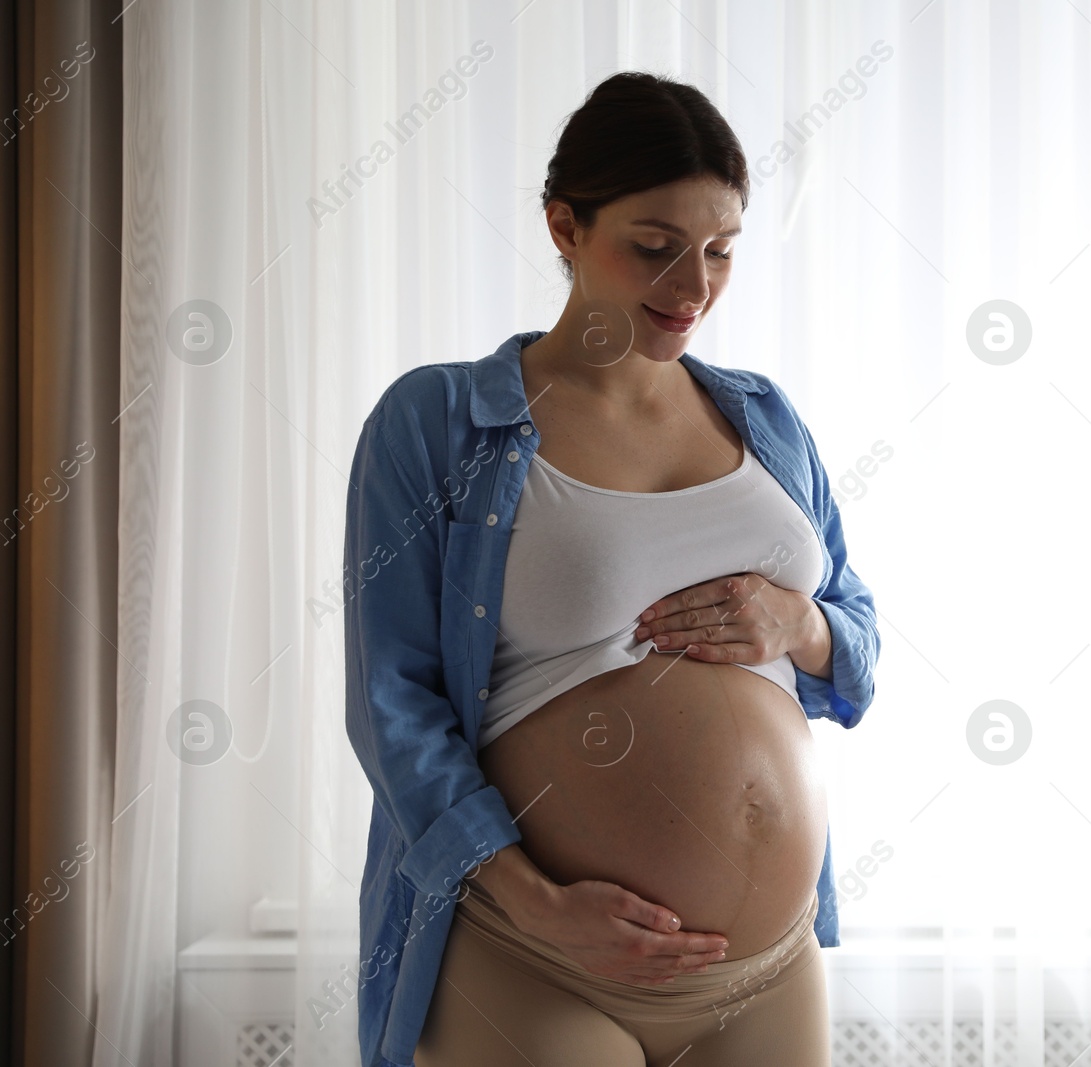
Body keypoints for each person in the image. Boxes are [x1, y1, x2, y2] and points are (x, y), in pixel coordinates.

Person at [345, 71, 881, 1067]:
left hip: (764, 963)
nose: (692, 288)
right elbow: (392, 702)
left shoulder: (763, 417)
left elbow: (852, 638)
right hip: (534, 954)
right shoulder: (438, 423)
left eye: (720, 251)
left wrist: (793, 622)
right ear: (565, 227)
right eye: (653, 247)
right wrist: (537, 902)